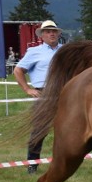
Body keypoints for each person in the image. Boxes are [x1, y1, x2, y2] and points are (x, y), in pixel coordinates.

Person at [14, 20, 62, 174]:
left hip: (66, 91)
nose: (51, 34)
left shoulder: (66, 50)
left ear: (58, 34)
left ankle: (64, 164)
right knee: (39, 131)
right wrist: (27, 88)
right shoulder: (34, 51)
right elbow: (18, 70)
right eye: (48, 31)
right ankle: (32, 165)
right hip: (44, 93)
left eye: (54, 31)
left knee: (68, 129)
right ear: (42, 35)